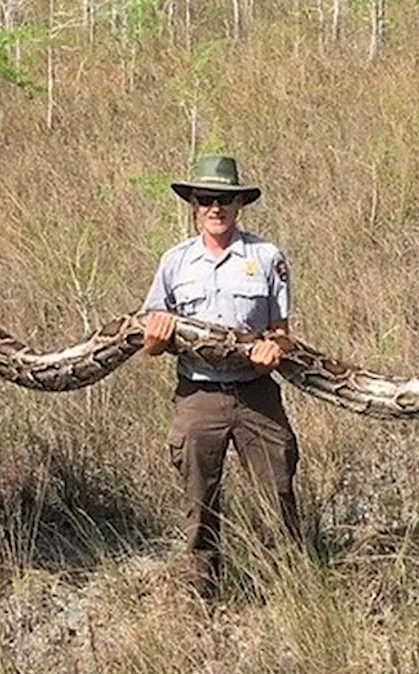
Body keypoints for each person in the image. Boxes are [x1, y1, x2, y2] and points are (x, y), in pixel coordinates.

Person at [141, 154, 301, 600]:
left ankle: (290, 588)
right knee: (199, 500)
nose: (216, 207)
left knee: (278, 492)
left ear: (239, 204)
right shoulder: (174, 262)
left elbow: (285, 335)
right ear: (193, 204)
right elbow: (150, 342)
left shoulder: (267, 257)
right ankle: (201, 593)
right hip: (198, 393)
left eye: (225, 199)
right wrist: (156, 336)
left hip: (256, 394)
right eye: (206, 198)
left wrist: (275, 349)